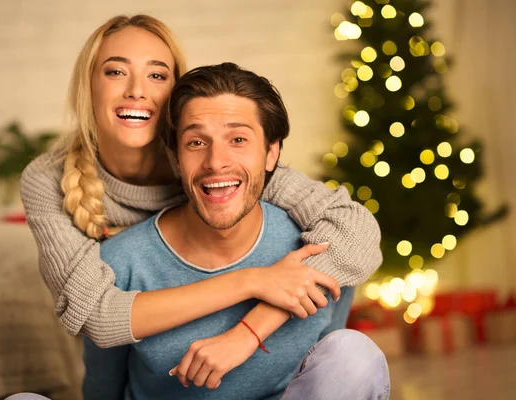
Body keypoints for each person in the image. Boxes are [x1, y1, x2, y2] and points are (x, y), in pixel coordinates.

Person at [19, 14, 382, 351]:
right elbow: (96, 315)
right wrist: (253, 281)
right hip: (150, 357)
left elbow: (356, 231)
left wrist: (250, 331)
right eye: (115, 72)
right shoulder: (48, 179)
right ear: (89, 86)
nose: (136, 90)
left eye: (157, 76)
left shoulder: (212, 163)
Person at [82, 62, 390, 400]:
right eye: (196, 143)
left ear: (271, 153)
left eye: (238, 139)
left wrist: (245, 335)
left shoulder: (321, 246)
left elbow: (328, 373)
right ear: (175, 158)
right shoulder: (120, 261)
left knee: (352, 353)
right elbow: (103, 387)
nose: (216, 161)